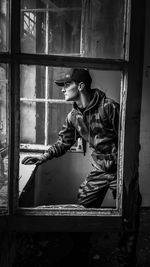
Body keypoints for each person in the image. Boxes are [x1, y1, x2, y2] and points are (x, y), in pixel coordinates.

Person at [22, 68, 120, 208]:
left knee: (129, 206)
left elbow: (129, 140)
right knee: (83, 206)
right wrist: (43, 157)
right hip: (100, 169)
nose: (63, 90)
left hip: (120, 169)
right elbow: (63, 143)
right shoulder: (74, 117)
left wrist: (126, 169)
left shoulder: (109, 108)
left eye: (67, 85)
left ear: (81, 86)